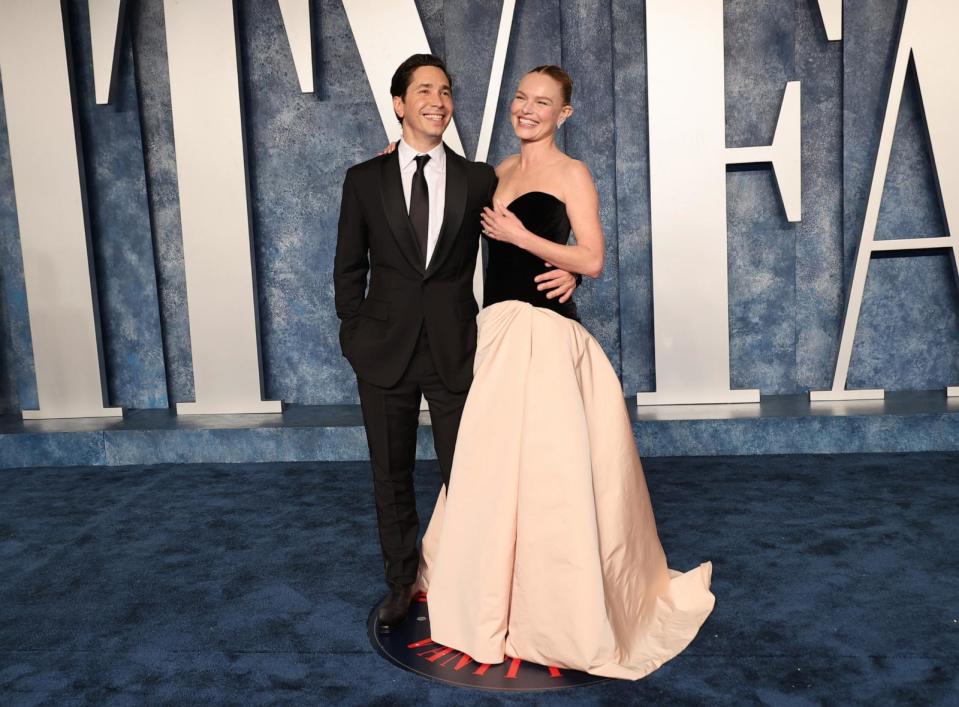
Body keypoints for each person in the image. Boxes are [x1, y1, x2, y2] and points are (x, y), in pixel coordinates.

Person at [415, 65, 715, 680]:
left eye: (542, 102)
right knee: (490, 464)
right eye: (521, 98)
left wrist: (531, 241)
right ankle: (487, 590)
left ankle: (551, 606)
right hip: (495, 333)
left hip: (545, 335)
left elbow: (595, 258)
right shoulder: (495, 172)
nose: (527, 109)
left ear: (564, 114)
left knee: (550, 472)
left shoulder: (572, 173)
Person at [333, 55, 579, 631]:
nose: (437, 100)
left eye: (445, 91)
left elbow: (531, 231)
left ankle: (468, 584)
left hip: (457, 349)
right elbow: (348, 269)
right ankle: (401, 582)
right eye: (424, 91)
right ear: (399, 105)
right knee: (388, 475)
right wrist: (354, 336)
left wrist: (568, 270)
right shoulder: (364, 179)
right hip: (382, 352)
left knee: (468, 475)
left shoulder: (479, 180)